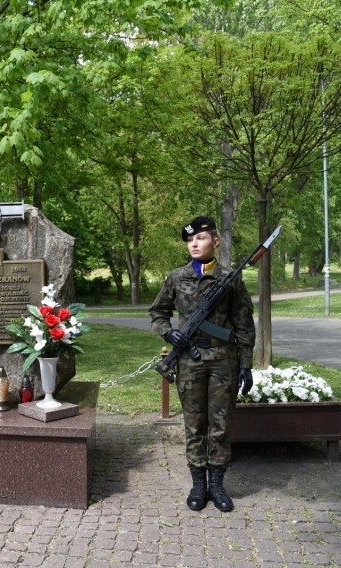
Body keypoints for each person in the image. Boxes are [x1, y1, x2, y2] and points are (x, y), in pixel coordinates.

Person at [149, 216, 255, 513]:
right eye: (190, 240)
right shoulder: (176, 277)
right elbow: (158, 313)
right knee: (195, 425)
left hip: (224, 362)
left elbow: (244, 324)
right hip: (189, 362)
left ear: (215, 242)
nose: (194, 244)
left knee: (220, 426)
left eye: (201, 238)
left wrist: (246, 363)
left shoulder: (231, 279)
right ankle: (198, 485)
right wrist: (169, 333)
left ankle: (218, 485)